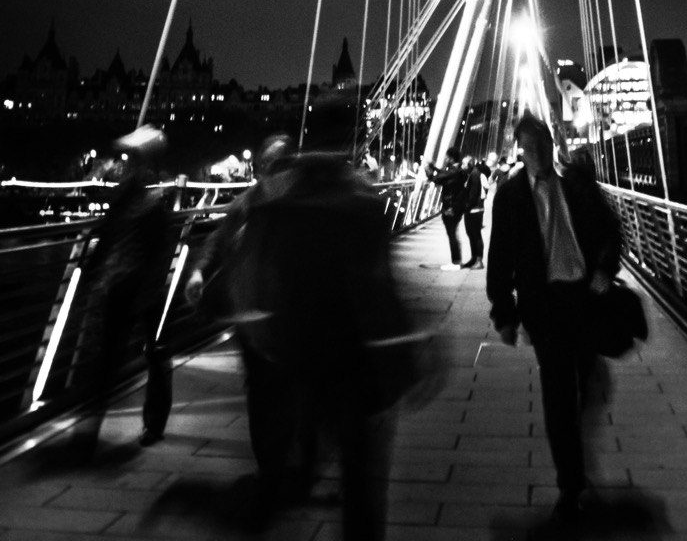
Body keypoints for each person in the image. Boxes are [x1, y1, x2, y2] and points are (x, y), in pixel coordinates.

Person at [188, 146, 415, 538]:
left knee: (303, 448)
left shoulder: (282, 207)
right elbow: (379, 281)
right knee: (356, 475)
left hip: (300, 350)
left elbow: (258, 271)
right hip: (350, 360)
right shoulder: (359, 201)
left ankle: (251, 496)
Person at [487, 111, 621, 529]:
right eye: (531, 147)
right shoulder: (509, 197)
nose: (540, 152)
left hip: (584, 297)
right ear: (520, 151)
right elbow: (499, 259)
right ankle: (571, 485)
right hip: (544, 307)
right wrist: (503, 314)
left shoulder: (577, 185)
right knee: (558, 393)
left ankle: (574, 452)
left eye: (545, 144)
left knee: (584, 384)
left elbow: (610, 230)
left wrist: (604, 268)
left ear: (552, 143)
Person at [71, 125, 174, 457]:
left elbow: (159, 252)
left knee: (155, 351)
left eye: (135, 157)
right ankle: (89, 427)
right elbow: (108, 236)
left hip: (143, 287)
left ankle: (152, 423)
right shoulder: (126, 197)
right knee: (106, 356)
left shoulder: (155, 203)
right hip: (119, 286)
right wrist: (92, 272)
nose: (128, 163)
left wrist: (149, 287)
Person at [424, 147, 467, 269]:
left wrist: (428, 171)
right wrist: (434, 167)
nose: (445, 159)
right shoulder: (458, 170)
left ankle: (455, 262)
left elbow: (437, 179)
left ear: (451, 158)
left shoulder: (453, 172)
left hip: (451, 207)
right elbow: (445, 174)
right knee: (454, 233)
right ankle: (457, 260)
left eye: (447, 157)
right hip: (457, 206)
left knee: (452, 234)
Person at [460, 155, 488, 269]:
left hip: (475, 210)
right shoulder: (471, 174)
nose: (462, 166)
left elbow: (473, 193)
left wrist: (466, 206)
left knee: (476, 235)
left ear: (470, 164)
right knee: (471, 234)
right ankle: (473, 258)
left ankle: (479, 261)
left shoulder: (475, 174)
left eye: (464, 164)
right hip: (472, 209)